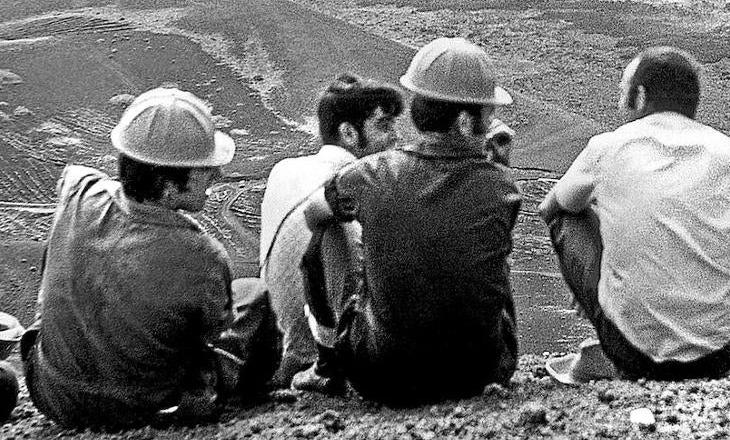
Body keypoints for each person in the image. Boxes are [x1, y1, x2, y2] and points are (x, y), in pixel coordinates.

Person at [21, 88, 280, 429]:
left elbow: (80, 182)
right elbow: (211, 332)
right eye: (204, 169)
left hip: (51, 394)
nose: (216, 176)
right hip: (139, 410)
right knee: (255, 296)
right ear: (170, 187)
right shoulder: (202, 256)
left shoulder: (78, 189)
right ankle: (256, 392)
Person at [538, 46, 730, 382]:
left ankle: (613, 342)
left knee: (571, 216)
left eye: (623, 92)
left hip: (632, 353)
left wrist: (598, 260)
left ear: (639, 96)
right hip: (723, 354)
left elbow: (551, 208)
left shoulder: (607, 148)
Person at [301, 37, 520, 405]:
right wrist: (496, 164)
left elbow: (312, 213)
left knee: (323, 235)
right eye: (487, 113)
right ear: (466, 122)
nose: (491, 122)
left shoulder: (367, 174)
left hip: (381, 376)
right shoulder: (502, 185)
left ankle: (327, 365)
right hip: (481, 372)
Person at [258, 74, 402, 389]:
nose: (395, 137)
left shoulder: (282, 171)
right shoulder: (361, 184)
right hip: (328, 353)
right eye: (384, 126)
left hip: (281, 352)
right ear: (349, 133)